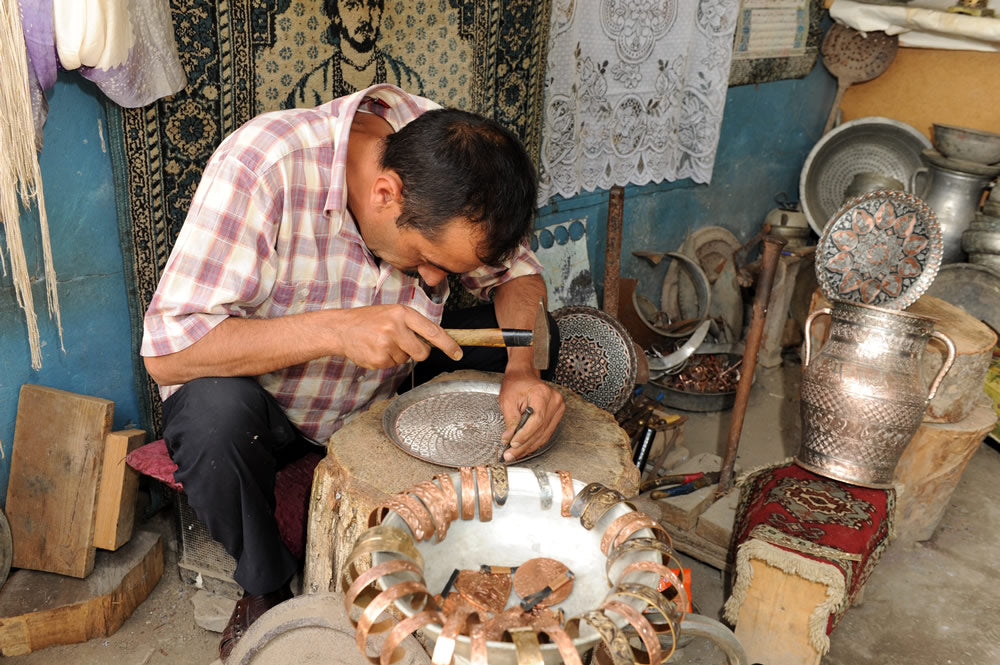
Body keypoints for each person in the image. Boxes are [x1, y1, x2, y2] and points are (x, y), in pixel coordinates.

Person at [140, 83, 565, 660]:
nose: (435, 283)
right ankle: (265, 587)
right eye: (426, 263)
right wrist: (339, 330)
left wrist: (521, 367)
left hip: (386, 378)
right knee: (214, 420)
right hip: (267, 404)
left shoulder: (450, 157)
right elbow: (167, 351)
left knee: (541, 337)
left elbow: (517, 275)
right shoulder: (265, 165)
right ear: (385, 193)